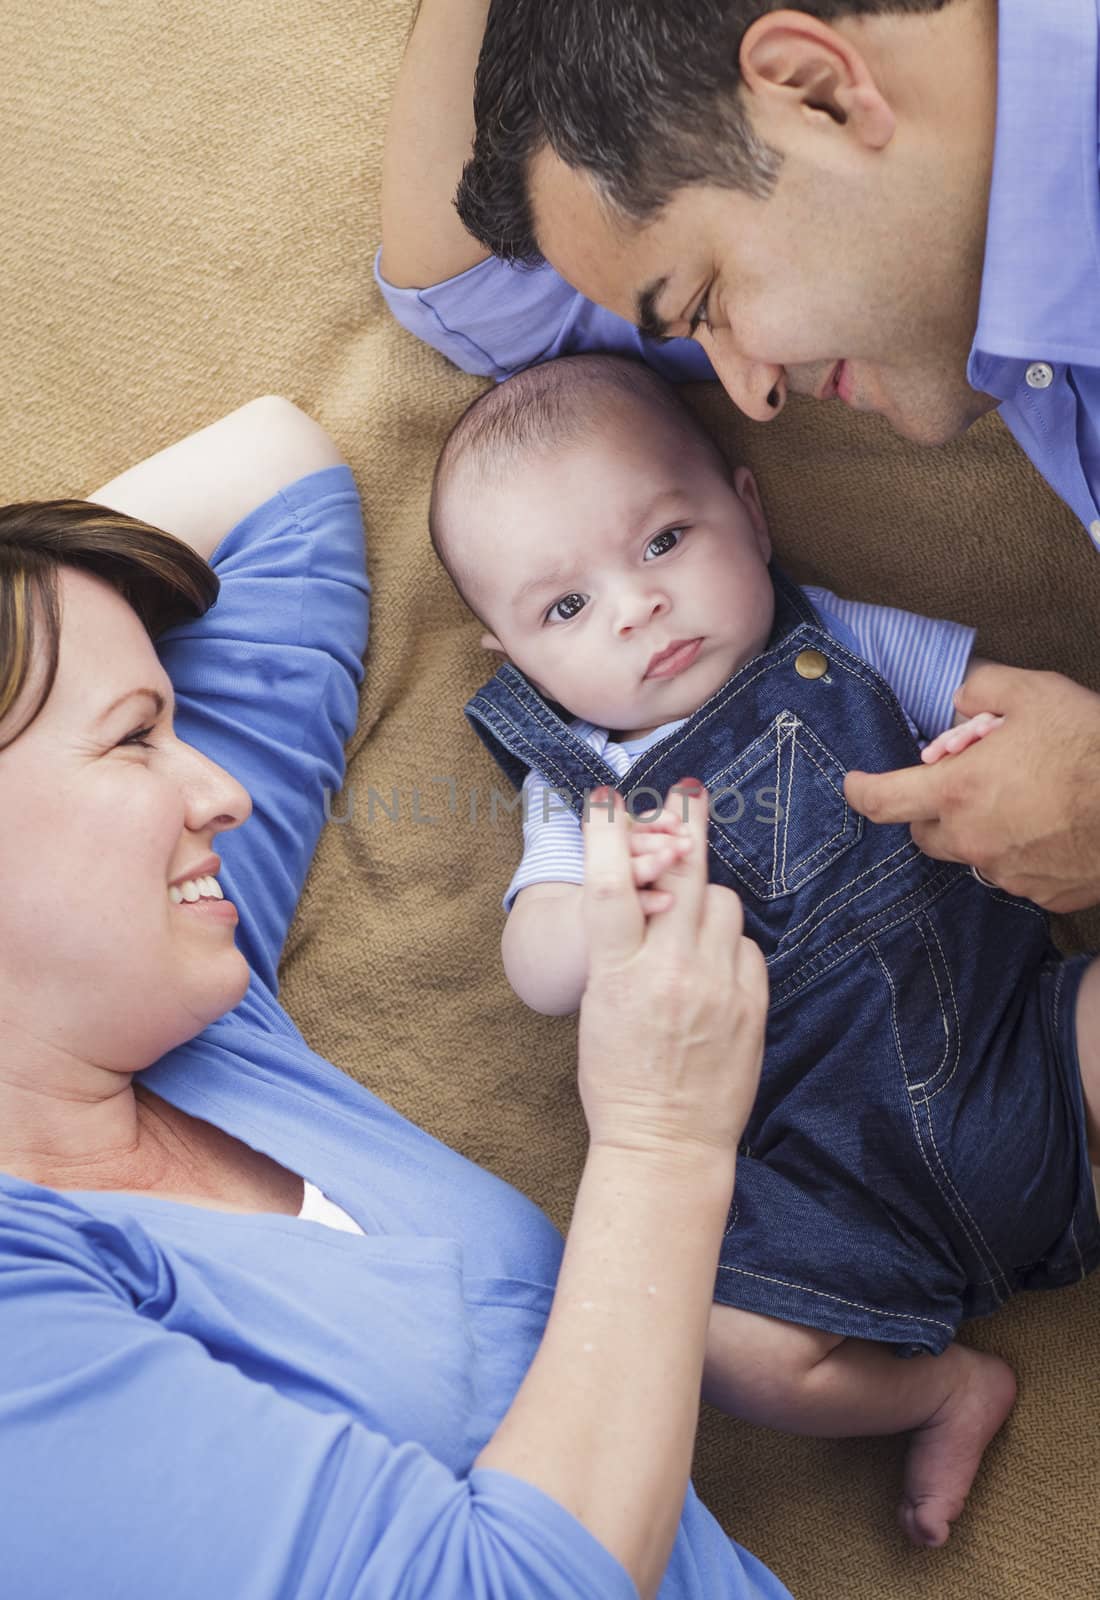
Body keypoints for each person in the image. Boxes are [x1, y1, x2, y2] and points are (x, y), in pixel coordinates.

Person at [0, 397, 784, 1600]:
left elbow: (276, 477)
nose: (222, 789)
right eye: (135, 737)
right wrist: (662, 1145)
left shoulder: (186, 1009)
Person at [427, 348, 1100, 1547]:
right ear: (511, 659)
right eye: (565, 608)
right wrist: (598, 906)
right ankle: (942, 1386)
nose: (636, 607)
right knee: (718, 1345)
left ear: (747, 507)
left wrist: (980, 741)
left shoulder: (840, 638)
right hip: (822, 1193)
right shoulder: (575, 794)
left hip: (1024, 1056)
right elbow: (534, 970)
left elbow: (1017, 716)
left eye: (661, 543)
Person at [378, 0, 1100, 914]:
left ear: (817, 89)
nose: (750, 393)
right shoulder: (923, 266)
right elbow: (468, 290)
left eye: (708, 298)